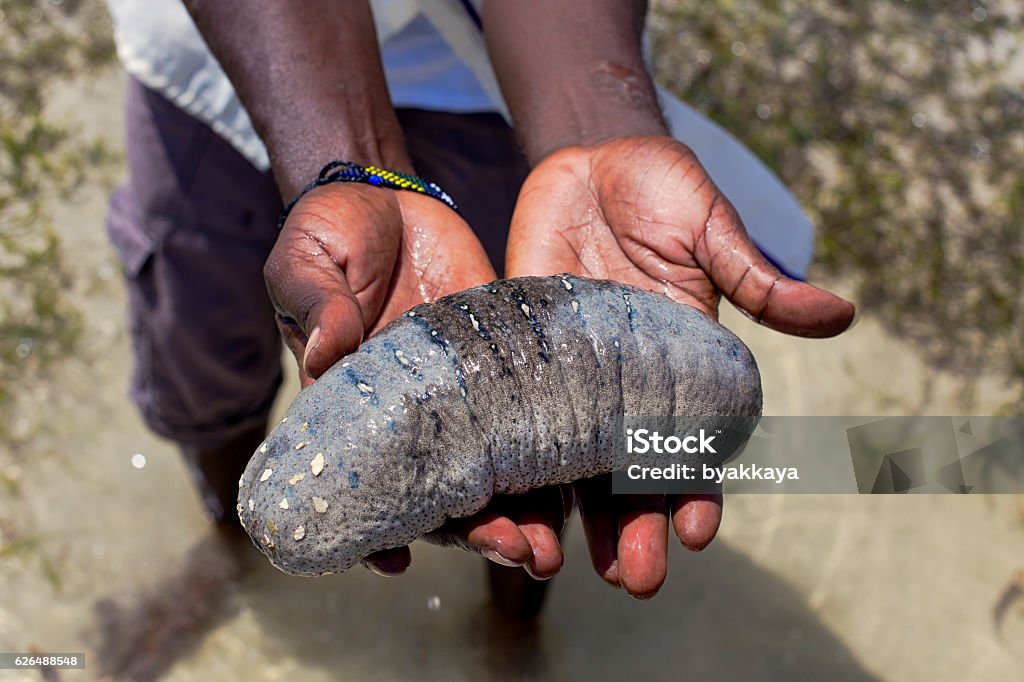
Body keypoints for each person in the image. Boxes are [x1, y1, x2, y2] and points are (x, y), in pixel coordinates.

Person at [105, 0, 855, 605]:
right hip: (236, 48)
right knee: (200, 358)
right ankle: (227, 556)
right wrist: (349, 159)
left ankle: (512, 621)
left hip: (512, 69)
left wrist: (591, 125)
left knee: (531, 519)